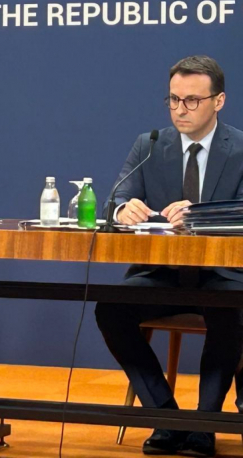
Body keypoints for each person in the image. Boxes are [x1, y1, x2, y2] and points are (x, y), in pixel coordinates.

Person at [95, 55, 243, 458]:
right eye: (174, 99)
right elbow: (116, 199)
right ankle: (166, 418)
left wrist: (200, 215)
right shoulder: (150, 144)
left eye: (192, 100)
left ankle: (205, 425)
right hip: (162, 273)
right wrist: (122, 210)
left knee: (231, 308)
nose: (181, 109)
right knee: (111, 309)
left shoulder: (239, 148)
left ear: (219, 101)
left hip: (222, 274)